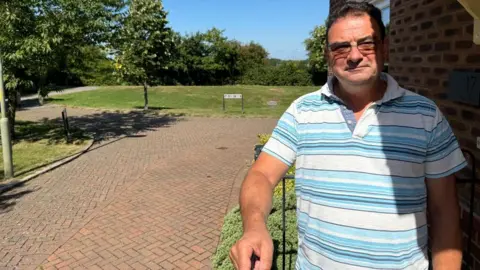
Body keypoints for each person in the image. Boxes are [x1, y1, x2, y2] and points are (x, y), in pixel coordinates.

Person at [229, 2, 466, 270]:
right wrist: (254, 228)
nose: (354, 55)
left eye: (366, 43)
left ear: (384, 48)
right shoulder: (302, 111)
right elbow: (261, 175)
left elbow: (445, 212)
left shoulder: (425, 116)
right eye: (341, 47)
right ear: (328, 55)